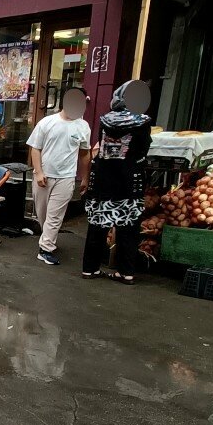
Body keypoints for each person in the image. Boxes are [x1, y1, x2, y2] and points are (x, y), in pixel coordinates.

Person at [82, 81, 153, 285]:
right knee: (128, 228)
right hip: (129, 181)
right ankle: (126, 272)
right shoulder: (142, 122)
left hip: (103, 179)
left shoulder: (106, 120)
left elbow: (101, 147)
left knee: (97, 225)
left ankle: (90, 269)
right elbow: (143, 149)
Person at [27, 88, 91, 266]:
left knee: (55, 216)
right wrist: (39, 172)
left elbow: (85, 154)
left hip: (66, 177)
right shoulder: (47, 122)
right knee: (43, 214)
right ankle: (47, 239)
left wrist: (85, 177)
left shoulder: (83, 126)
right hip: (44, 175)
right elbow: (35, 148)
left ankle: (45, 249)